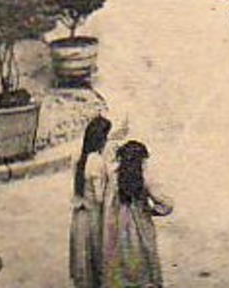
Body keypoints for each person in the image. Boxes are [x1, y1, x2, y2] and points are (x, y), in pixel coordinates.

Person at [103, 140, 173, 288]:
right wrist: (153, 211)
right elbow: (167, 204)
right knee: (144, 263)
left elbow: (107, 202)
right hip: (141, 226)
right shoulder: (144, 180)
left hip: (118, 226)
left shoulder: (114, 177)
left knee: (122, 265)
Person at [69, 115, 113, 288]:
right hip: (93, 215)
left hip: (79, 213)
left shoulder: (79, 156)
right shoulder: (97, 162)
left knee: (81, 254)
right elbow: (100, 196)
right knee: (95, 252)